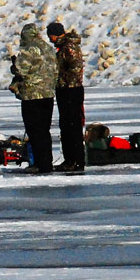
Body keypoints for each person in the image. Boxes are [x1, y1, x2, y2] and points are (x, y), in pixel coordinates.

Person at [10, 23, 58, 174]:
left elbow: (20, 69)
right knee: (44, 130)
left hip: (32, 96)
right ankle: (47, 162)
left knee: (34, 130)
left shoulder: (29, 49)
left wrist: (13, 65)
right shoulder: (49, 48)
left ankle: (39, 163)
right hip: (48, 95)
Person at [47, 23, 85, 174]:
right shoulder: (63, 47)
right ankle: (70, 159)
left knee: (72, 126)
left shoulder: (69, 46)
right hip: (66, 89)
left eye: (50, 34)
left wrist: (61, 77)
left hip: (71, 89)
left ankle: (76, 160)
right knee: (66, 126)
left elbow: (75, 67)